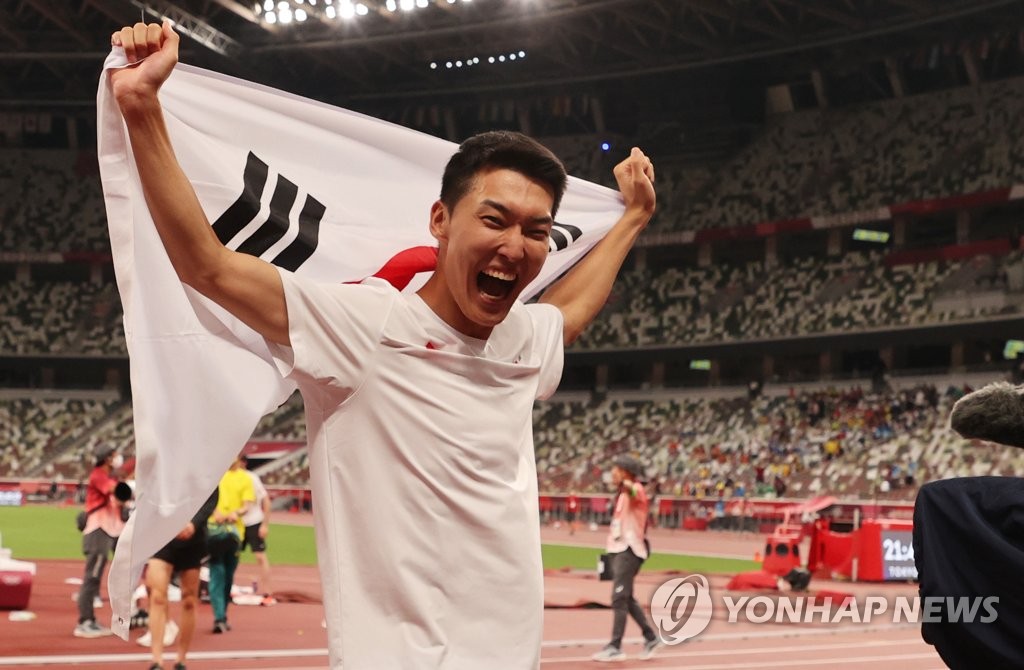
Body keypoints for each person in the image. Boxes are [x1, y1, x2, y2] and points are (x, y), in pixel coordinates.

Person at [109, 21, 655, 668]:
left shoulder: (521, 340)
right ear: (440, 221)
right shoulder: (362, 326)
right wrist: (142, 109)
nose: (517, 247)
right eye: (494, 219)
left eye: (537, 231)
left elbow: (569, 311)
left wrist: (634, 219)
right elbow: (210, 267)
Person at [592, 455, 660, 662]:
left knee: (619, 597)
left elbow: (633, 490)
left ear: (626, 472)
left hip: (629, 551)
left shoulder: (635, 489)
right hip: (618, 549)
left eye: (616, 469)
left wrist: (626, 482)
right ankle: (650, 637)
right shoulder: (621, 494)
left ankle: (615, 646)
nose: (612, 473)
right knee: (627, 598)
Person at [142, 489, 219, 670]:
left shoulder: (204, 465)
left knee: (190, 600)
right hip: (162, 535)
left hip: (193, 539)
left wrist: (193, 524)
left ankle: (181, 660)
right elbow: (149, 491)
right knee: (157, 596)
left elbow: (211, 496)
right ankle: (157, 661)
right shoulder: (163, 463)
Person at [74, 447, 127, 638]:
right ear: (107, 459)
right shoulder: (98, 476)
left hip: (105, 532)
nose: (117, 458)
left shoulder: (108, 477)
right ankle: (84, 621)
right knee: (92, 578)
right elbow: (117, 491)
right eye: (114, 456)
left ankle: (90, 620)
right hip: (98, 532)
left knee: (95, 577)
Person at [208, 454, 254, 634]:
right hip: (214, 531)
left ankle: (223, 613)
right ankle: (218, 616)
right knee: (216, 572)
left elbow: (247, 504)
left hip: (234, 533)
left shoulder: (244, 478)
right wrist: (215, 511)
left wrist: (237, 513)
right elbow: (205, 498)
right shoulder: (214, 474)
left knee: (228, 575)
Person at [238, 455, 275, 606]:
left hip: (253, 521)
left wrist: (265, 524)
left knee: (260, 557)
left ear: (243, 463)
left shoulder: (251, 478)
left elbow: (266, 500)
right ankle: (224, 589)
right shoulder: (226, 477)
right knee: (230, 558)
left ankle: (268, 591)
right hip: (236, 523)